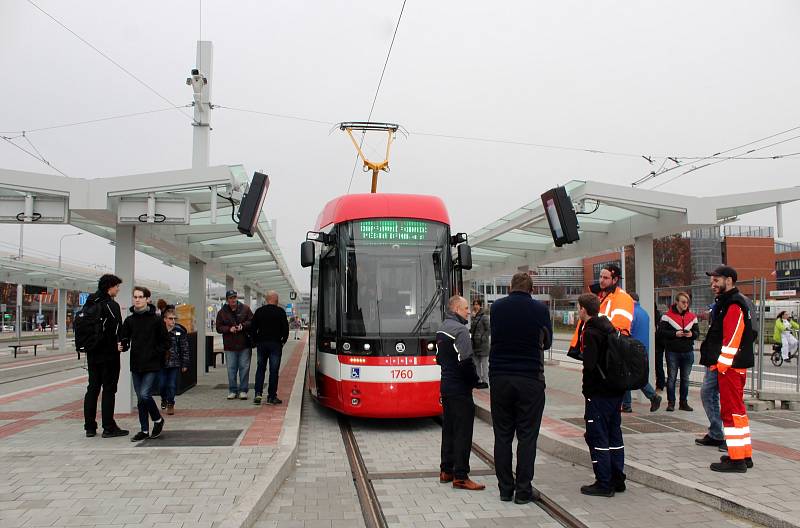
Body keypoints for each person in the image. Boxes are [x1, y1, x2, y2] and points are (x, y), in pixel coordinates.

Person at [489, 272, 551, 504]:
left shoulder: (497, 308)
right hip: (529, 378)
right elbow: (547, 342)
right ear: (531, 289)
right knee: (527, 436)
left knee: (502, 435)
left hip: (500, 378)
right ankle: (523, 491)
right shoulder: (540, 310)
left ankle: (505, 489)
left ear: (510, 288)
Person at [699, 266, 755, 472]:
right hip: (733, 366)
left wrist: (721, 364)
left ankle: (737, 460)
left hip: (730, 368)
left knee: (731, 413)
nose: (712, 284)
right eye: (712, 280)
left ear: (729, 280)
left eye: (716, 280)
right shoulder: (732, 302)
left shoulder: (733, 303)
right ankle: (743, 455)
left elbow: (731, 338)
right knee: (738, 412)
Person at [576, 293, 625, 497]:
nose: (578, 311)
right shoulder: (610, 328)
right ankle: (617, 478)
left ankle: (603, 482)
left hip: (598, 393)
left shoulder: (591, 332)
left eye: (578, 308)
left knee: (597, 436)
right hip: (615, 390)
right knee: (615, 435)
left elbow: (590, 364)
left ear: (584, 310)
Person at [436, 295, 484, 491]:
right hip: (460, 389)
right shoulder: (461, 331)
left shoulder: (441, 328)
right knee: (463, 432)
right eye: (465, 308)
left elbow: (439, 359)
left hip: (446, 386)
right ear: (456, 309)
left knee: (449, 429)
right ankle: (461, 476)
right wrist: (475, 381)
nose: (469, 312)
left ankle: (446, 470)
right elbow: (466, 362)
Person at [120, 286, 170, 442]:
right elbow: (124, 338)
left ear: (147, 299)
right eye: (135, 296)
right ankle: (144, 430)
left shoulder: (156, 320)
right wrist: (123, 344)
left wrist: (155, 353)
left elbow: (166, 342)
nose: (137, 299)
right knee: (141, 399)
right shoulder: (129, 320)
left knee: (144, 394)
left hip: (152, 364)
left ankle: (157, 419)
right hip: (136, 364)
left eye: (141, 297)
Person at [82, 274, 128, 438]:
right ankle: (108, 427)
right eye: (116, 286)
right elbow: (117, 330)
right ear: (110, 287)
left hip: (92, 353)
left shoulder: (90, 302)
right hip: (108, 354)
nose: (118, 289)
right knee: (109, 389)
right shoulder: (111, 305)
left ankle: (89, 427)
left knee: (92, 388)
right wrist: (120, 344)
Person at [568, 264, 634, 357]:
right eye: (600, 277)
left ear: (614, 280)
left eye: (605, 278)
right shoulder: (598, 297)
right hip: (593, 351)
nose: (601, 280)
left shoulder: (622, 298)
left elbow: (619, 331)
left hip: (606, 354)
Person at [658, 292, 699, 412]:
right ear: (677, 302)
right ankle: (671, 403)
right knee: (671, 378)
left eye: (687, 302)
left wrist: (692, 334)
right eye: (683, 302)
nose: (685, 304)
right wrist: (674, 334)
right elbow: (660, 332)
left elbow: (697, 333)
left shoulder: (692, 317)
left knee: (685, 379)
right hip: (672, 352)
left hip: (687, 351)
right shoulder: (667, 316)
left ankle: (683, 403)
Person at [621, 293, 662, 413]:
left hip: (630, 348)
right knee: (635, 375)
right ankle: (629, 403)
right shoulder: (644, 313)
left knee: (627, 375)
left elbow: (626, 331)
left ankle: (631, 403)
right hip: (642, 349)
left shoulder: (629, 313)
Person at [251, 291, 290, 405]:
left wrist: (256, 341)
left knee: (260, 369)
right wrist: (282, 342)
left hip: (262, 344)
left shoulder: (259, 311)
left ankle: (258, 394)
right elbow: (285, 329)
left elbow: (253, 328)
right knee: (274, 371)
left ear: (267, 299)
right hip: (275, 345)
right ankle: (271, 396)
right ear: (275, 300)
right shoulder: (280, 312)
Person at [216, 290, 254, 400]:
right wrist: (229, 329)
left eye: (234, 297)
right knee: (231, 369)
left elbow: (252, 322)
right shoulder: (222, 312)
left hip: (244, 344)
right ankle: (232, 390)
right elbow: (218, 327)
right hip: (230, 345)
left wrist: (243, 326)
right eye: (231, 298)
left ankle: (243, 390)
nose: (233, 300)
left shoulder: (245, 309)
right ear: (227, 300)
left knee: (244, 368)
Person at [159, 305, 190, 415]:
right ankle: (163, 398)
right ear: (165, 319)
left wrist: (185, 363)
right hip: (161, 363)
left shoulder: (179, 331)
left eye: (174, 318)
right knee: (162, 384)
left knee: (171, 385)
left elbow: (184, 348)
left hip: (174, 363)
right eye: (170, 318)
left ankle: (170, 403)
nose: (173, 321)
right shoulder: (159, 331)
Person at [470, 298, 490, 389]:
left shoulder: (484, 316)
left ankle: (486, 381)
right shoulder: (474, 317)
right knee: (476, 363)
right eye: (474, 304)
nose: (475, 306)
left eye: (477, 304)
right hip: (474, 344)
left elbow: (489, 329)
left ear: (480, 305)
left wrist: (483, 338)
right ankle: (478, 381)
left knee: (484, 364)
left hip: (483, 345)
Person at [654, 304, 666, 392]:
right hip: (659, 344)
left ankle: (660, 384)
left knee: (658, 364)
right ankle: (660, 384)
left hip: (658, 343)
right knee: (659, 364)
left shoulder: (656, 317)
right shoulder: (659, 316)